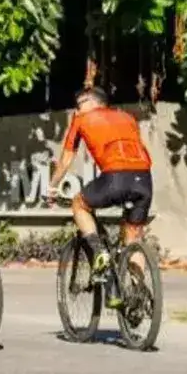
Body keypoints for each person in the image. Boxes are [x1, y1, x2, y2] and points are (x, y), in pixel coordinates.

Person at [46, 86, 153, 306]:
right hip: (144, 179)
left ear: (92, 102)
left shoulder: (81, 120)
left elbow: (66, 160)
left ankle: (99, 252)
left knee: (79, 204)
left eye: (79, 104)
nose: (76, 110)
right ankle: (138, 292)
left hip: (115, 177)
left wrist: (52, 187)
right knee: (133, 238)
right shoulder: (127, 117)